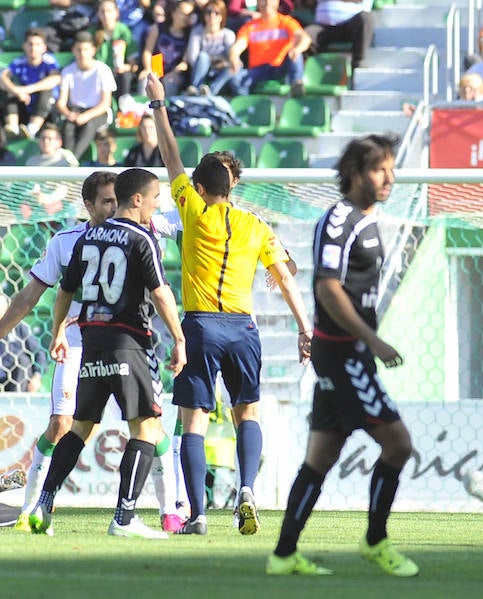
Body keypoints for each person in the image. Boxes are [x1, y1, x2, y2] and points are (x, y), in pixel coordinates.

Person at [146, 71, 313, 535]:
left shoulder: (192, 212)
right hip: (243, 328)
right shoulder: (256, 225)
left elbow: (170, 156)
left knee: (194, 421)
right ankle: (247, 491)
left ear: (198, 188)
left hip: (200, 325)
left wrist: (158, 104)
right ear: (231, 187)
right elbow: (285, 276)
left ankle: (198, 515)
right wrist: (304, 328)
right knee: (247, 413)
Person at [0, 170, 187, 534]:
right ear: (137, 199)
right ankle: (125, 517)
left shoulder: (86, 239)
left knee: (79, 428)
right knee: (146, 428)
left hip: (89, 341)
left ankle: (43, 506)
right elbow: (159, 292)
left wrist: (59, 328)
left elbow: (64, 291)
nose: (157, 205)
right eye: (155, 198)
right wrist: (180, 339)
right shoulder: (142, 236)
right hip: (129, 341)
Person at [267, 134, 419, 577]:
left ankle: (283, 554)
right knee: (398, 445)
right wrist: (373, 341)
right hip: (344, 356)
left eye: (391, 168)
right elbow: (328, 287)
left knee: (320, 457)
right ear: (355, 176)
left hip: (346, 356)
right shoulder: (339, 219)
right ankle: (375, 541)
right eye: (379, 169)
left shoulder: (368, 217)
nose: (389, 177)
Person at [228, 0, 311, 97]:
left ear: (277, 2)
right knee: (236, 79)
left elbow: (305, 38)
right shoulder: (249, 26)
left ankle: (296, 85)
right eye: (263, 0)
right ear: (258, 3)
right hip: (257, 70)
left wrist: (297, 49)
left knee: (296, 54)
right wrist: (233, 57)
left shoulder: (286, 22)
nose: (267, 3)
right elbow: (238, 46)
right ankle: (246, 105)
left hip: (279, 68)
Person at [56, 30, 116, 160]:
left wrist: (86, 116)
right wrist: (68, 114)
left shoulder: (103, 70)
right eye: (79, 49)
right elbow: (61, 102)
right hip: (75, 110)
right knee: (67, 127)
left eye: (86, 49)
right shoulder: (68, 71)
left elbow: (105, 103)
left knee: (89, 126)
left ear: (93, 50)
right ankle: (69, 159)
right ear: (73, 50)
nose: (82, 53)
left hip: (98, 112)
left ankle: (72, 160)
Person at [0, 293, 46, 393]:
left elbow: (39, 353)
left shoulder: (19, 328)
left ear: (7, 311)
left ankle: (18, 399)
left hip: (11, 381)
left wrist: (37, 377)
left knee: (23, 360)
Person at [0, 27, 61, 140]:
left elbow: (55, 78)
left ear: (44, 47)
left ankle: (32, 130)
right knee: (9, 91)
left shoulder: (48, 61)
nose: (33, 48)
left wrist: (27, 89)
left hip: (46, 111)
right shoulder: (19, 61)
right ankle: (12, 129)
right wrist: (17, 91)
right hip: (25, 105)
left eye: (37, 44)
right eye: (30, 44)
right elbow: (2, 79)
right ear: (24, 46)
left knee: (47, 91)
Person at [139, 0, 196, 97]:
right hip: (156, 68)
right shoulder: (159, 28)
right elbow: (147, 51)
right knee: (146, 78)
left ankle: (167, 110)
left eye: (189, 15)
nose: (187, 18)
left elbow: (184, 62)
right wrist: (148, 68)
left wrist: (174, 73)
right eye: (184, 14)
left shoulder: (189, 35)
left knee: (170, 81)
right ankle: (142, 109)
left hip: (174, 73)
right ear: (174, 13)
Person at [303, 0, 375, 71]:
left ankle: (358, 65)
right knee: (304, 37)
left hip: (349, 25)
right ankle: (304, 73)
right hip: (322, 27)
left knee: (366, 18)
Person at [184, 0, 236, 96]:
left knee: (235, 65)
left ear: (222, 15)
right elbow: (192, 58)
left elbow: (232, 57)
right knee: (203, 56)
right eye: (209, 12)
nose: (212, 16)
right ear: (204, 15)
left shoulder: (228, 34)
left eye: (216, 13)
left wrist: (224, 62)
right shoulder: (197, 32)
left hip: (221, 72)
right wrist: (213, 60)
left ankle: (210, 91)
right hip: (202, 69)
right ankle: (195, 88)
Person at [92, 0, 138, 97]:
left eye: (109, 11)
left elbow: (133, 64)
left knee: (125, 76)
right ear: (98, 14)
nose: (106, 15)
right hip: (98, 74)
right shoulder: (93, 32)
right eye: (102, 11)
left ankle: (123, 106)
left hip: (118, 75)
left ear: (116, 13)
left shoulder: (124, 31)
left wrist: (125, 67)